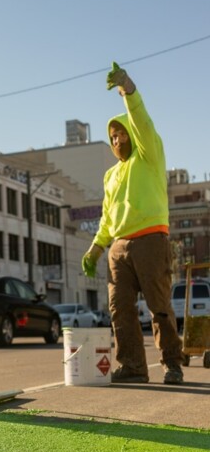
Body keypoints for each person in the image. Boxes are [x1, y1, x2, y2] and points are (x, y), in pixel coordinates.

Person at [82, 62, 183, 385]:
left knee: (159, 307)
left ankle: (172, 364)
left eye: (121, 133)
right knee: (119, 310)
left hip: (152, 240)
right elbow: (108, 218)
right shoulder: (111, 175)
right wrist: (96, 248)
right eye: (112, 136)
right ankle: (133, 367)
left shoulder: (149, 155)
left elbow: (141, 120)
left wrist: (127, 87)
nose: (117, 139)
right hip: (119, 247)